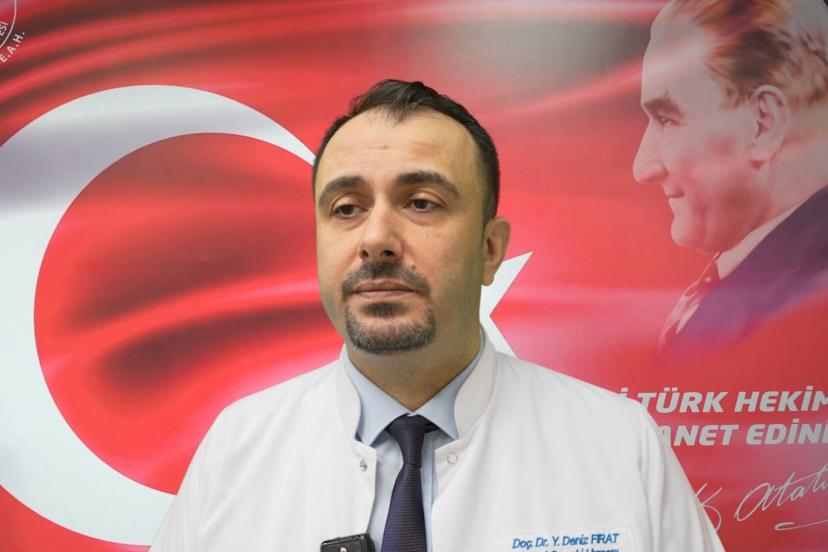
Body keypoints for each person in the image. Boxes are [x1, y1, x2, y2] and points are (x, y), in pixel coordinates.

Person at [151, 79, 723, 551]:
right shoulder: (237, 450)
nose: (376, 239)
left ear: (490, 250)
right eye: (346, 208)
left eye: (421, 202)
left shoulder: (620, 445)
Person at [633, 0, 828, 358]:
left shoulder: (790, 303)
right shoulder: (776, 281)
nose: (642, 168)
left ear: (763, 122)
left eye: (667, 119)